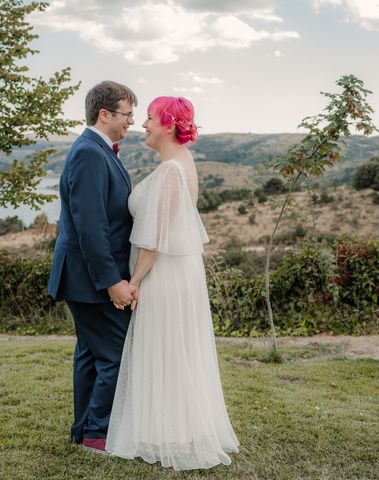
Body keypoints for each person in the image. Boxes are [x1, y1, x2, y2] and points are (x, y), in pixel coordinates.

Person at [105, 96, 240, 470]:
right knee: (175, 349)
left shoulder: (170, 172)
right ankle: (174, 429)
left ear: (167, 124)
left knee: (166, 349)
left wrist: (133, 282)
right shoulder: (181, 163)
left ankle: (174, 434)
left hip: (162, 275)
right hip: (180, 273)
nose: (142, 124)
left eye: (149, 118)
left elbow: (153, 239)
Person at [48, 80, 138, 452]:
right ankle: (97, 435)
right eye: (127, 114)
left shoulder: (98, 151)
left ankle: (82, 430)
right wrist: (112, 282)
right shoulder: (89, 153)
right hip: (91, 280)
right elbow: (90, 227)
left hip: (84, 278)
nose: (130, 122)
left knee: (90, 353)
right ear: (105, 114)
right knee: (115, 354)